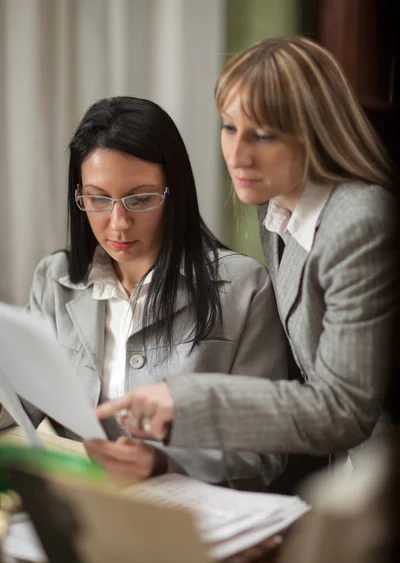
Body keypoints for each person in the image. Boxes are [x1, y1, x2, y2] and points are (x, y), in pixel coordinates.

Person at [95, 36, 400, 471]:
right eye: (230, 127)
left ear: (315, 132)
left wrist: (186, 400)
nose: (237, 156)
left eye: (263, 135)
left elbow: (343, 408)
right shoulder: (275, 206)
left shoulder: (361, 224)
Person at [0, 96, 289, 490]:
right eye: (99, 199)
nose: (118, 223)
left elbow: (264, 450)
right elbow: (21, 399)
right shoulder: (56, 279)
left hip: (190, 515)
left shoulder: (244, 289)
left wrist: (162, 461)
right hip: (85, 506)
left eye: (140, 198)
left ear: (175, 193)